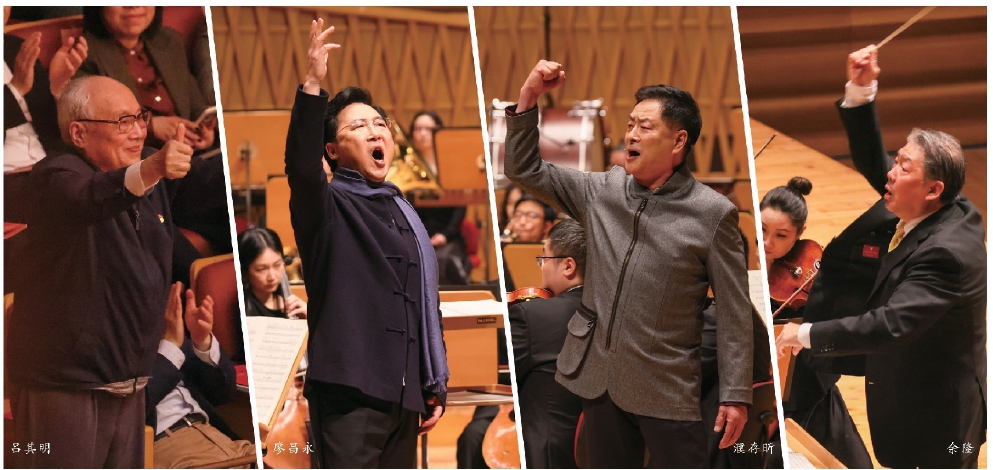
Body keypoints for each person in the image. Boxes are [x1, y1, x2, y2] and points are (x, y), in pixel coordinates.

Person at [504, 60, 752, 468]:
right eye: (630, 124)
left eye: (645, 126)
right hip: (599, 380)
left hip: (667, 386)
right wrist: (528, 98)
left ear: (679, 140)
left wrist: (735, 394)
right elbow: (523, 168)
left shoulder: (712, 213)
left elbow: (733, 310)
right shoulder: (602, 191)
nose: (631, 134)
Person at [775, 45, 986, 469]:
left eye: (903, 167)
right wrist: (861, 89)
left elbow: (890, 324)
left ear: (932, 189)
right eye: (898, 160)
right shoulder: (941, 202)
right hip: (907, 386)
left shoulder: (946, 254)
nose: (891, 172)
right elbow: (875, 161)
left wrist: (805, 333)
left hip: (936, 414)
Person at [5, 75, 194, 468]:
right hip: (65, 384)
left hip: (130, 382)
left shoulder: (148, 177)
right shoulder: (56, 175)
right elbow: (88, 197)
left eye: (140, 118)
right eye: (123, 122)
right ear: (79, 132)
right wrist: (152, 168)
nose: (138, 131)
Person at [283, 20, 447, 468]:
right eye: (358, 127)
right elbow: (301, 168)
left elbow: (420, 302)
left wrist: (430, 382)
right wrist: (312, 83)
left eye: (380, 124)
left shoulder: (403, 209)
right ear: (332, 150)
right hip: (349, 394)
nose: (376, 132)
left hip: (404, 396)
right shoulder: (326, 206)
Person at [761, 177, 872, 469]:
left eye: (781, 235)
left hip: (809, 389)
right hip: (761, 395)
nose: (768, 243)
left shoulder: (810, 273)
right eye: (761, 230)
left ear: (800, 234)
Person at [147, 282, 256, 468]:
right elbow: (128, 409)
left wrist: (202, 342)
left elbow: (223, 393)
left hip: (220, 438)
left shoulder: (164, 329)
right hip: (165, 445)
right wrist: (170, 349)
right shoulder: (103, 342)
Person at [77, 7, 215, 151]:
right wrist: (150, 126)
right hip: (138, 159)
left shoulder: (170, 40)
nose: (134, 5)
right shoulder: (83, 54)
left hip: (190, 154)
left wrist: (204, 133)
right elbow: (95, 128)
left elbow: (197, 108)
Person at [511, 219, 586, 469]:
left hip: (548, 455)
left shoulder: (532, 315)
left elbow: (507, 378)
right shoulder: (620, 314)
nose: (542, 267)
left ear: (568, 266)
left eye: (544, 258)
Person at [408, 110, 471, 285]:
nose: (422, 134)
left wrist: (445, 235)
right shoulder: (406, 167)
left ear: (439, 132)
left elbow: (460, 205)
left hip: (447, 236)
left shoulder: (451, 166)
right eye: (417, 129)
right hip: (416, 235)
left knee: (443, 261)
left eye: (428, 129)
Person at [238, 227, 307, 319]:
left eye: (277, 265)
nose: (272, 277)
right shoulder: (240, 310)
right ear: (244, 270)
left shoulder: (290, 305)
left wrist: (308, 319)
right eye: (262, 269)